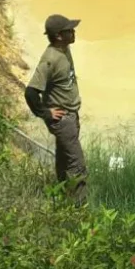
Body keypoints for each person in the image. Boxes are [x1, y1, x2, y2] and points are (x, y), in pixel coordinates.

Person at [24, 14, 88, 204]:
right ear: (59, 36)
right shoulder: (50, 59)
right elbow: (30, 92)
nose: (73, 32)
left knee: (63, 160)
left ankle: (61, 198)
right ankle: (80, 211)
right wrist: (45, 112)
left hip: (70, 114)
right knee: (78, 166)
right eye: (69, 30)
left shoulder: (64, 48)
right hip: (63, 119)